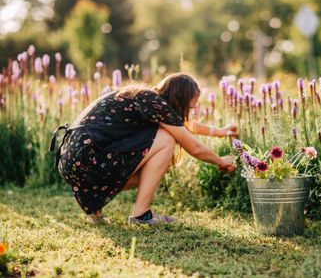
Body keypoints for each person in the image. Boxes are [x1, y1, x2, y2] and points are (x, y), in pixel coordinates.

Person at [50, 73, 237, 225]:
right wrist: (221, 161)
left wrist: (220, 132)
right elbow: (193, 147)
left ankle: (94, 205)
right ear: (180, 98)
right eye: (190, 106)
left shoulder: (145, 97)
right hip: (89, 155)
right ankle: (141, 215)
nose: (192, 109)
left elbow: (184, 125)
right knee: (166, 139)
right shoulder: (153, 102)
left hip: (73, 158)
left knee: (154, 161)